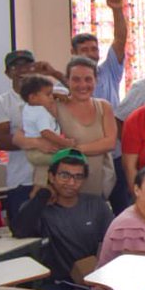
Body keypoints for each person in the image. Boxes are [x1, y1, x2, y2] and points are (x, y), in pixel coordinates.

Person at [11, 149, 113, 290]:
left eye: (78, 177)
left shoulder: (96, 204)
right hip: (58, 285)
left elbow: (111, 243)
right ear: (52, 176)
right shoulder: (41, 207)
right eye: (64, 175)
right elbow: (20, 230)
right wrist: (42, 195)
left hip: (95, 281)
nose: (71, 182)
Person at [0, 51, 66, 222]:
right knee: (25, 232)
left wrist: (53, 72)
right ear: (7, 73)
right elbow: (1, 141)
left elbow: (78, 90)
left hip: (58, 178)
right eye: (15, 66)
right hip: (22, 180)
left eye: (27, 65)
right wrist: (36, 142)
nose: (22, 70)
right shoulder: (2, 102)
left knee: (58, 233)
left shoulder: (52, 92)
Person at [47, 57, 117, 199]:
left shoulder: (104, 106)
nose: (82, 85)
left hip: (99, 185)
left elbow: (110, 143)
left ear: (96, 80)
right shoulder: (55, 106)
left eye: (88, 79)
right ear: (67, 81)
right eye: (76, 79)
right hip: (66, 187)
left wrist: (73, 150)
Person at [71, 0, 127, 107]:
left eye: (94, 49)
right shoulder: (66, 81)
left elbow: (120, 40)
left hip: (111, 124)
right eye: (84, 50)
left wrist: (117, 10)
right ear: (73, 53)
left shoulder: (109, 71)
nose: (90, 54)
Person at [18, 74, 74, 187]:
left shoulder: (28, 108)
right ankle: (43, 189)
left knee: (42, 171)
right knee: (70, 158)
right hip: (40, 152)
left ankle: (40, 187)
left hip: (33, 152)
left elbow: (62, 91)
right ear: (33, 97)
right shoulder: (40, 112)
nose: (52, 98)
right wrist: (66, 143)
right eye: (48, 95)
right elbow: (46, 133)